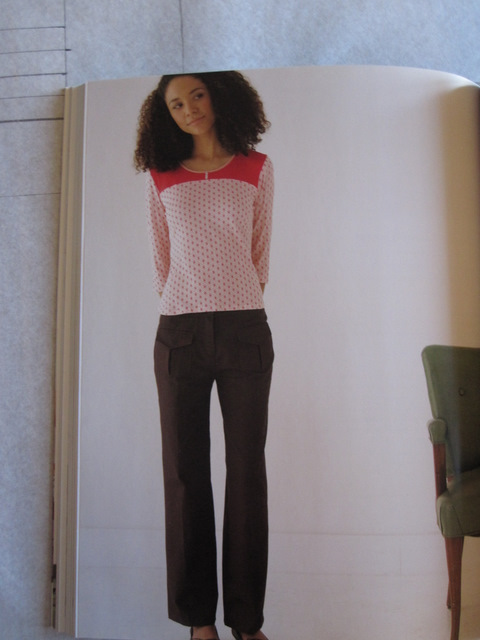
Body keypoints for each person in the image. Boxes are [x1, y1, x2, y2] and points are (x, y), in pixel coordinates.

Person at [134, 71, 274, 640]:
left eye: (197, 94)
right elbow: (160, 261)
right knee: (185, 475)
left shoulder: (256, 168)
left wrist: (231, 299)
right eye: (175, 103)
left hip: (245, 330)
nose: (189, 108)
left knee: (246, 473)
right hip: (180, 334)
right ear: (164, 114)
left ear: (219, 94)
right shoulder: (161, 175)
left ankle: (246, 621)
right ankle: (199, 622)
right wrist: (191, 302)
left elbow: (260, 255)